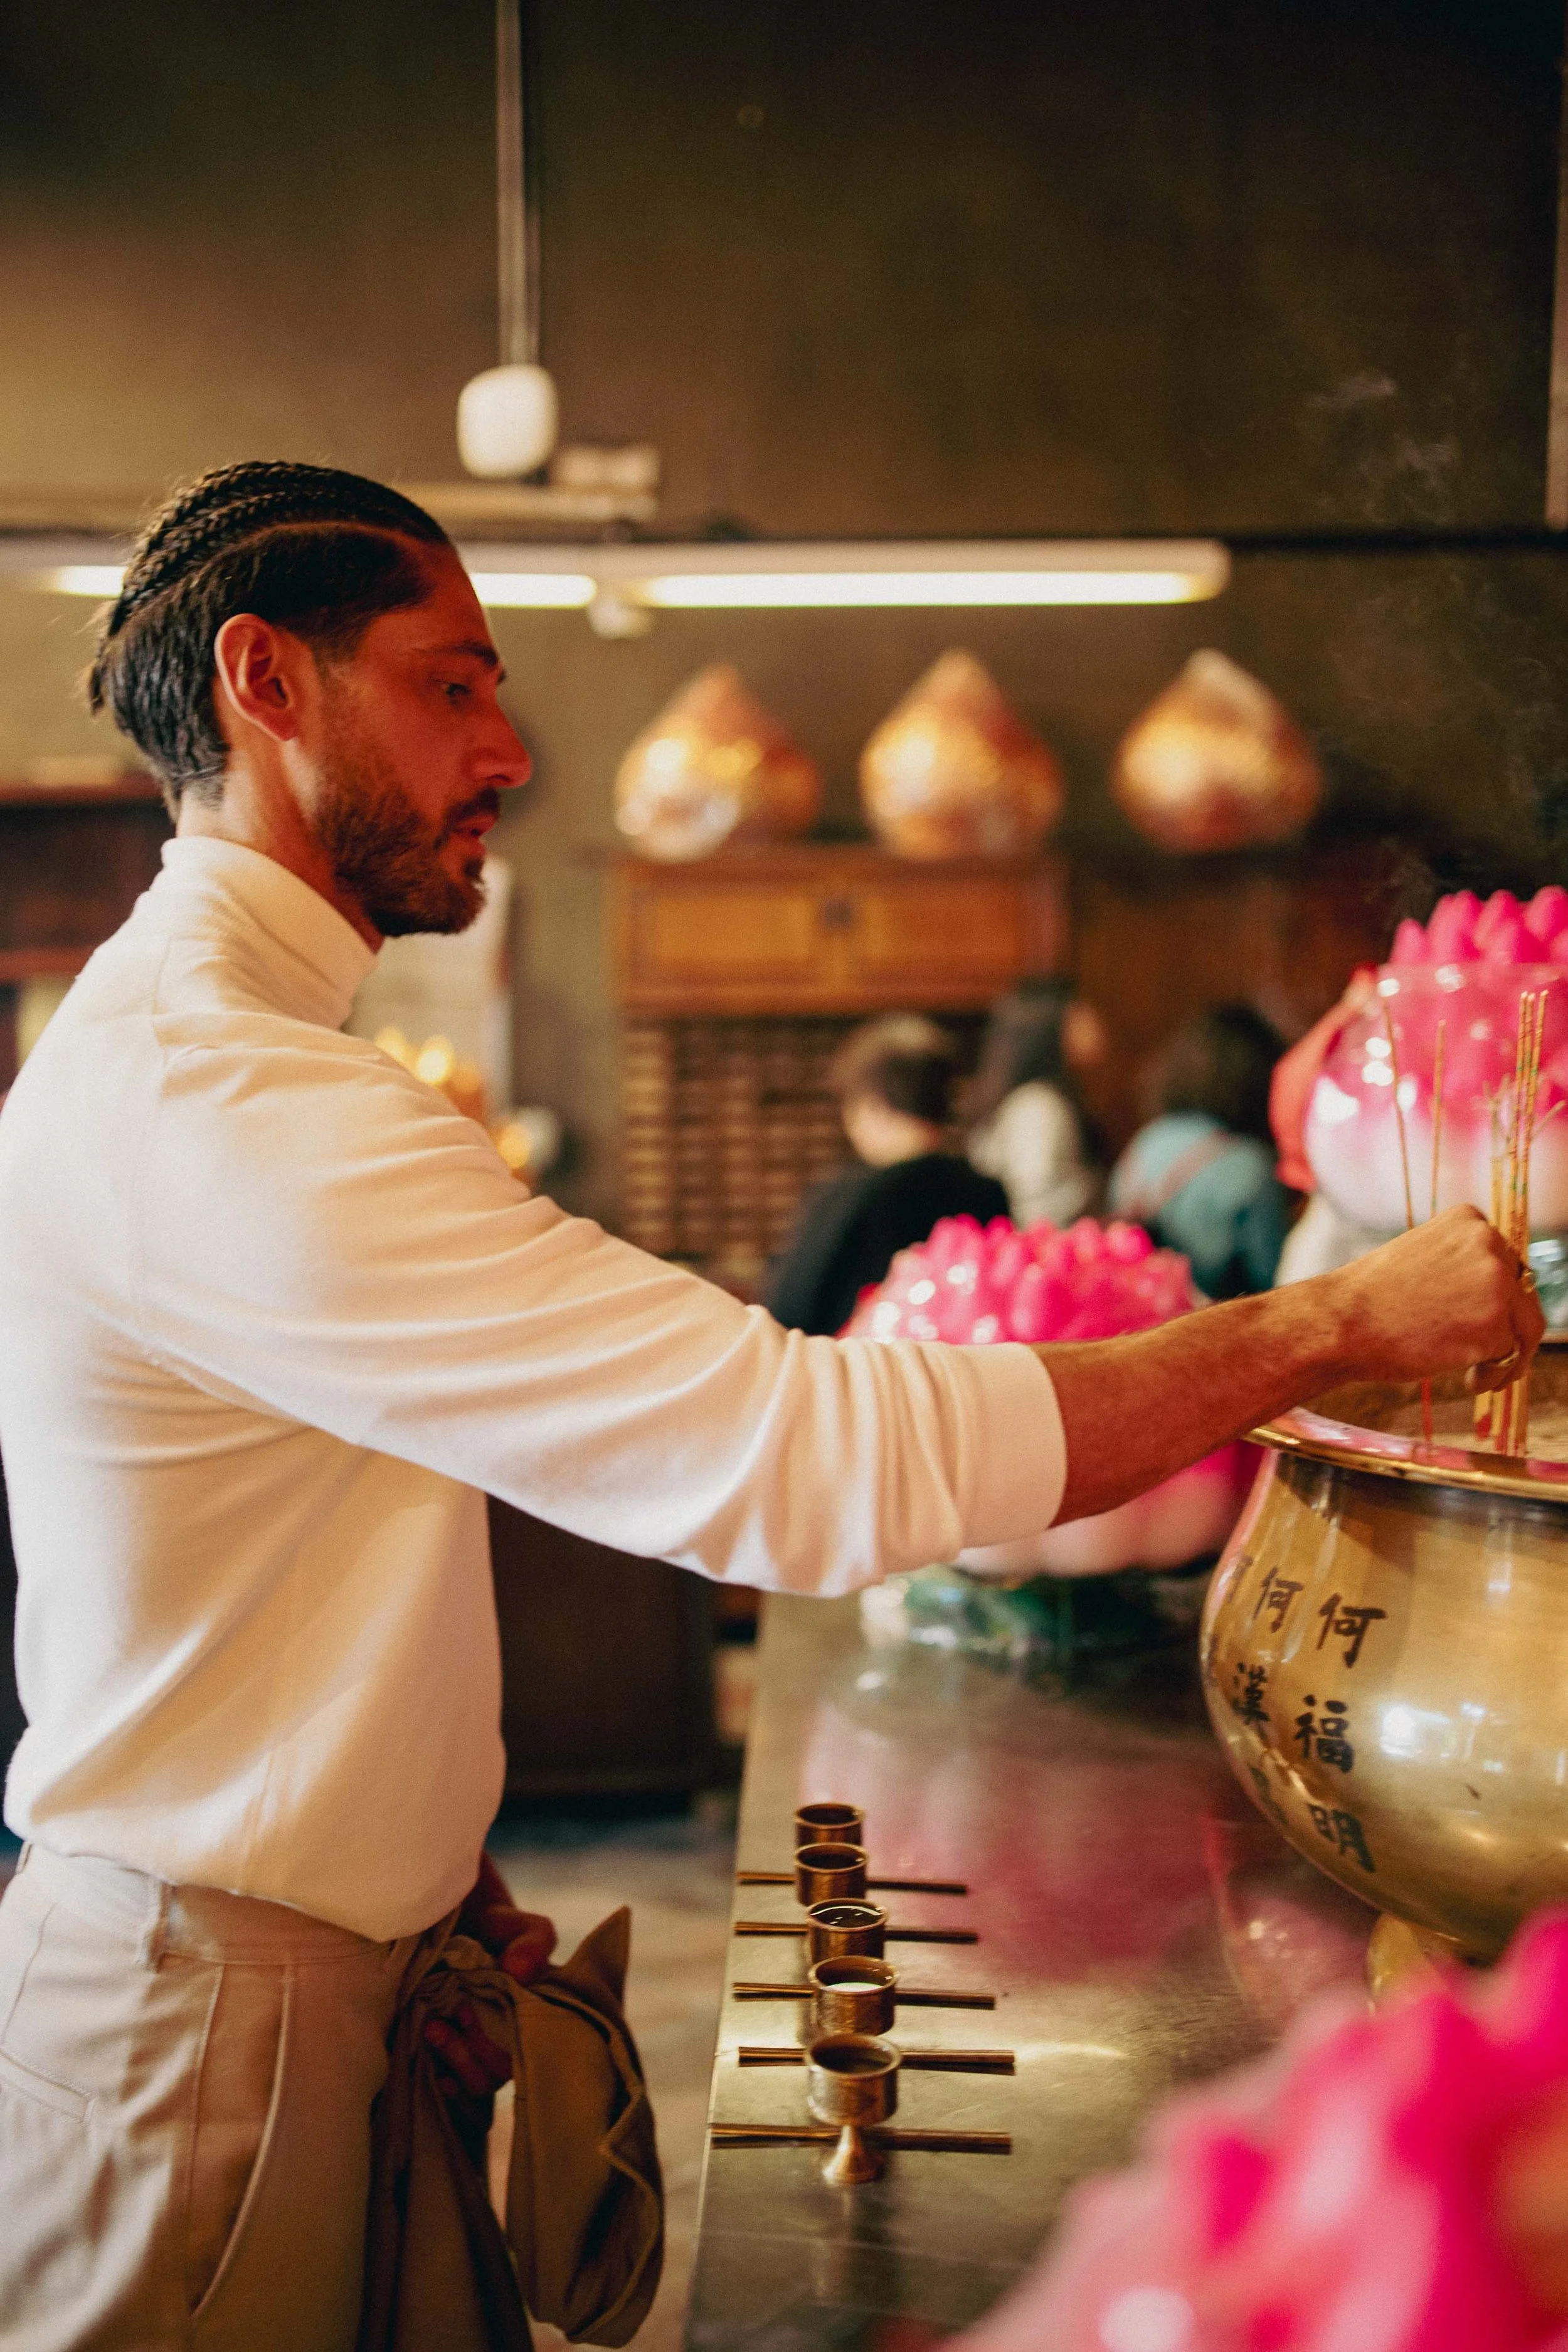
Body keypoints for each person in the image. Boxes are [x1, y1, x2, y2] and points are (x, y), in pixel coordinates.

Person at [0, 462, 1539, 2351]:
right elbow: (799, 1461)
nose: (508, 745)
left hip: (303, 1980)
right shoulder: (223, 1098)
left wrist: (406, 1846)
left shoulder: (211, 1051)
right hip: (212, 2051)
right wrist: (1331, 1323)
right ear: (268, 682)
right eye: (452, 682)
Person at [764, 1014, 1009, 1336]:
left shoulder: (845, 1197)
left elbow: (787, 1314)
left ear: (873, 1105)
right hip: (965, 1381)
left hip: (865, 1380)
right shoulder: (989, 1191)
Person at [1110, 1004, 1291, 1298]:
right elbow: (1273, 1281)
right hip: (1210, 1328)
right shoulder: (1249, 1164)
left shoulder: (1145, 1141)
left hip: (1137, 1324)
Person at [966, 977, 1105, 1227]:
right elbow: (1038, 1213)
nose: (1096, 1024)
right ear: (1050, 1026)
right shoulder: (1038, 1108)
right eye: (1080, 1013)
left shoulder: (1037, 1100)